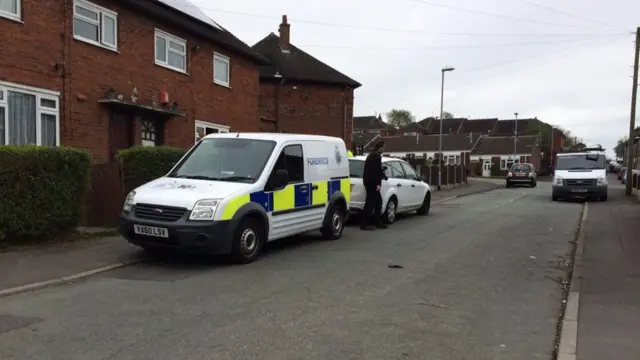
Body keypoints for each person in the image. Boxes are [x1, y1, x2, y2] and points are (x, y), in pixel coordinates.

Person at [360, 141, 388, 231]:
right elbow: (375, 172)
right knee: (370, 204)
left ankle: (377, 222)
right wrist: (378, 184)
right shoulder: (375, 157)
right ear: (380, 147)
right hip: (372, 184)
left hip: (369, 182)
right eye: (383, 147)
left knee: (378, 203)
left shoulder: (372, 155)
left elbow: (376, 170)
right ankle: (364, 224)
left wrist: (383, 175)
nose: (384, 149)